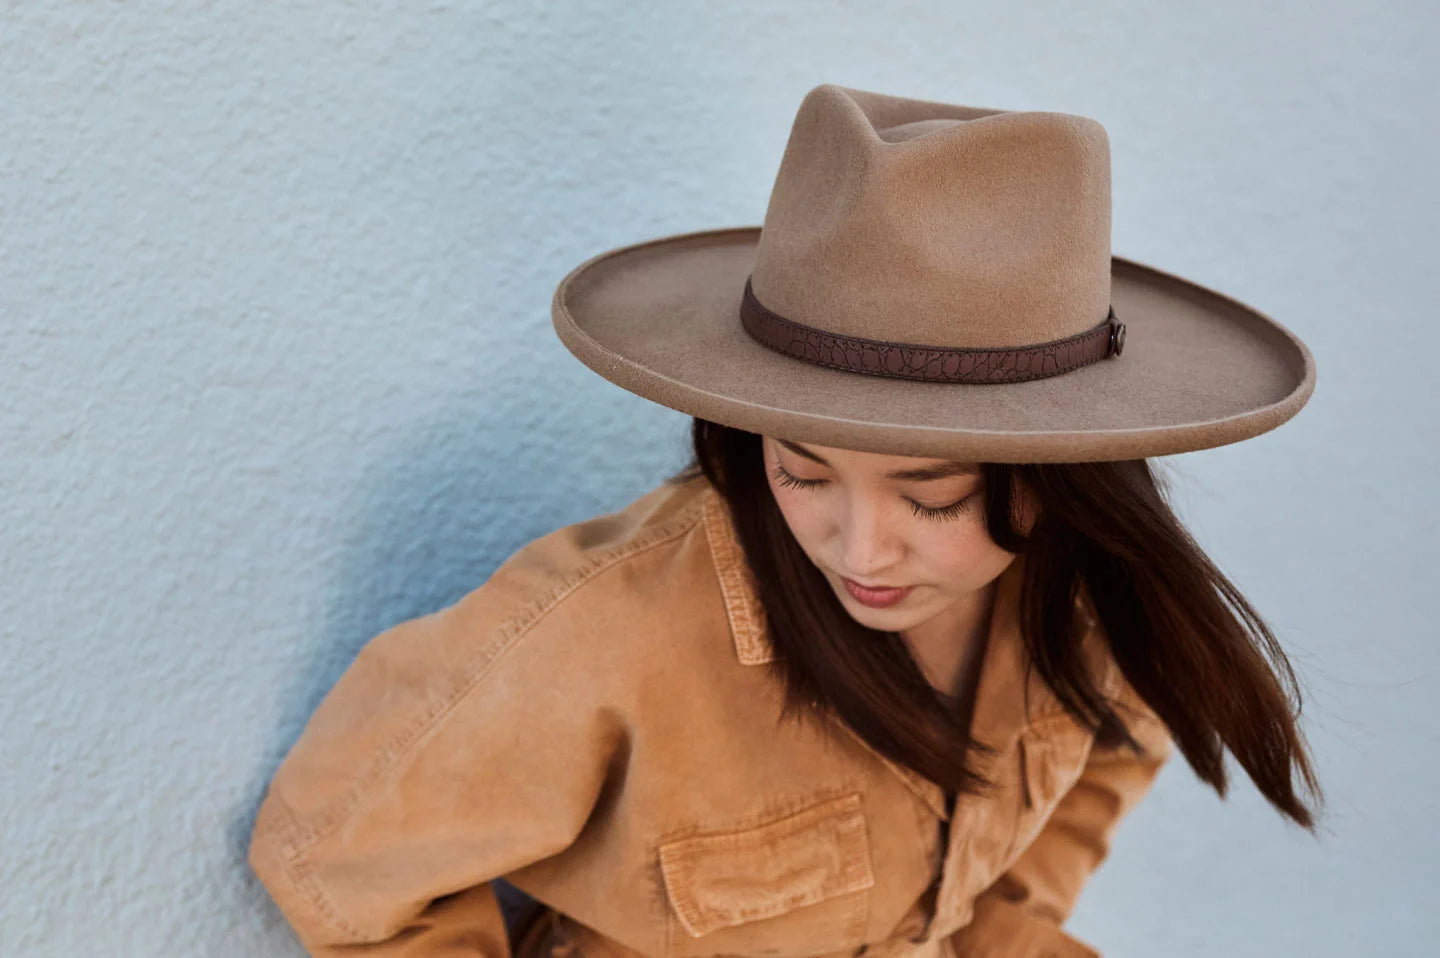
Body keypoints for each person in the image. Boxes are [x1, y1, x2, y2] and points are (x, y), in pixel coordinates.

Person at [247, 83, 1324, 958]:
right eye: (802, 472)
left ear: (1064, 477)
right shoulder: (607, 632)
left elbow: (1112, 748)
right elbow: (334, 855)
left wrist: (1007, 927)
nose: (859, 549)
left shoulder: (1088, 601)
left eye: (931, 496)